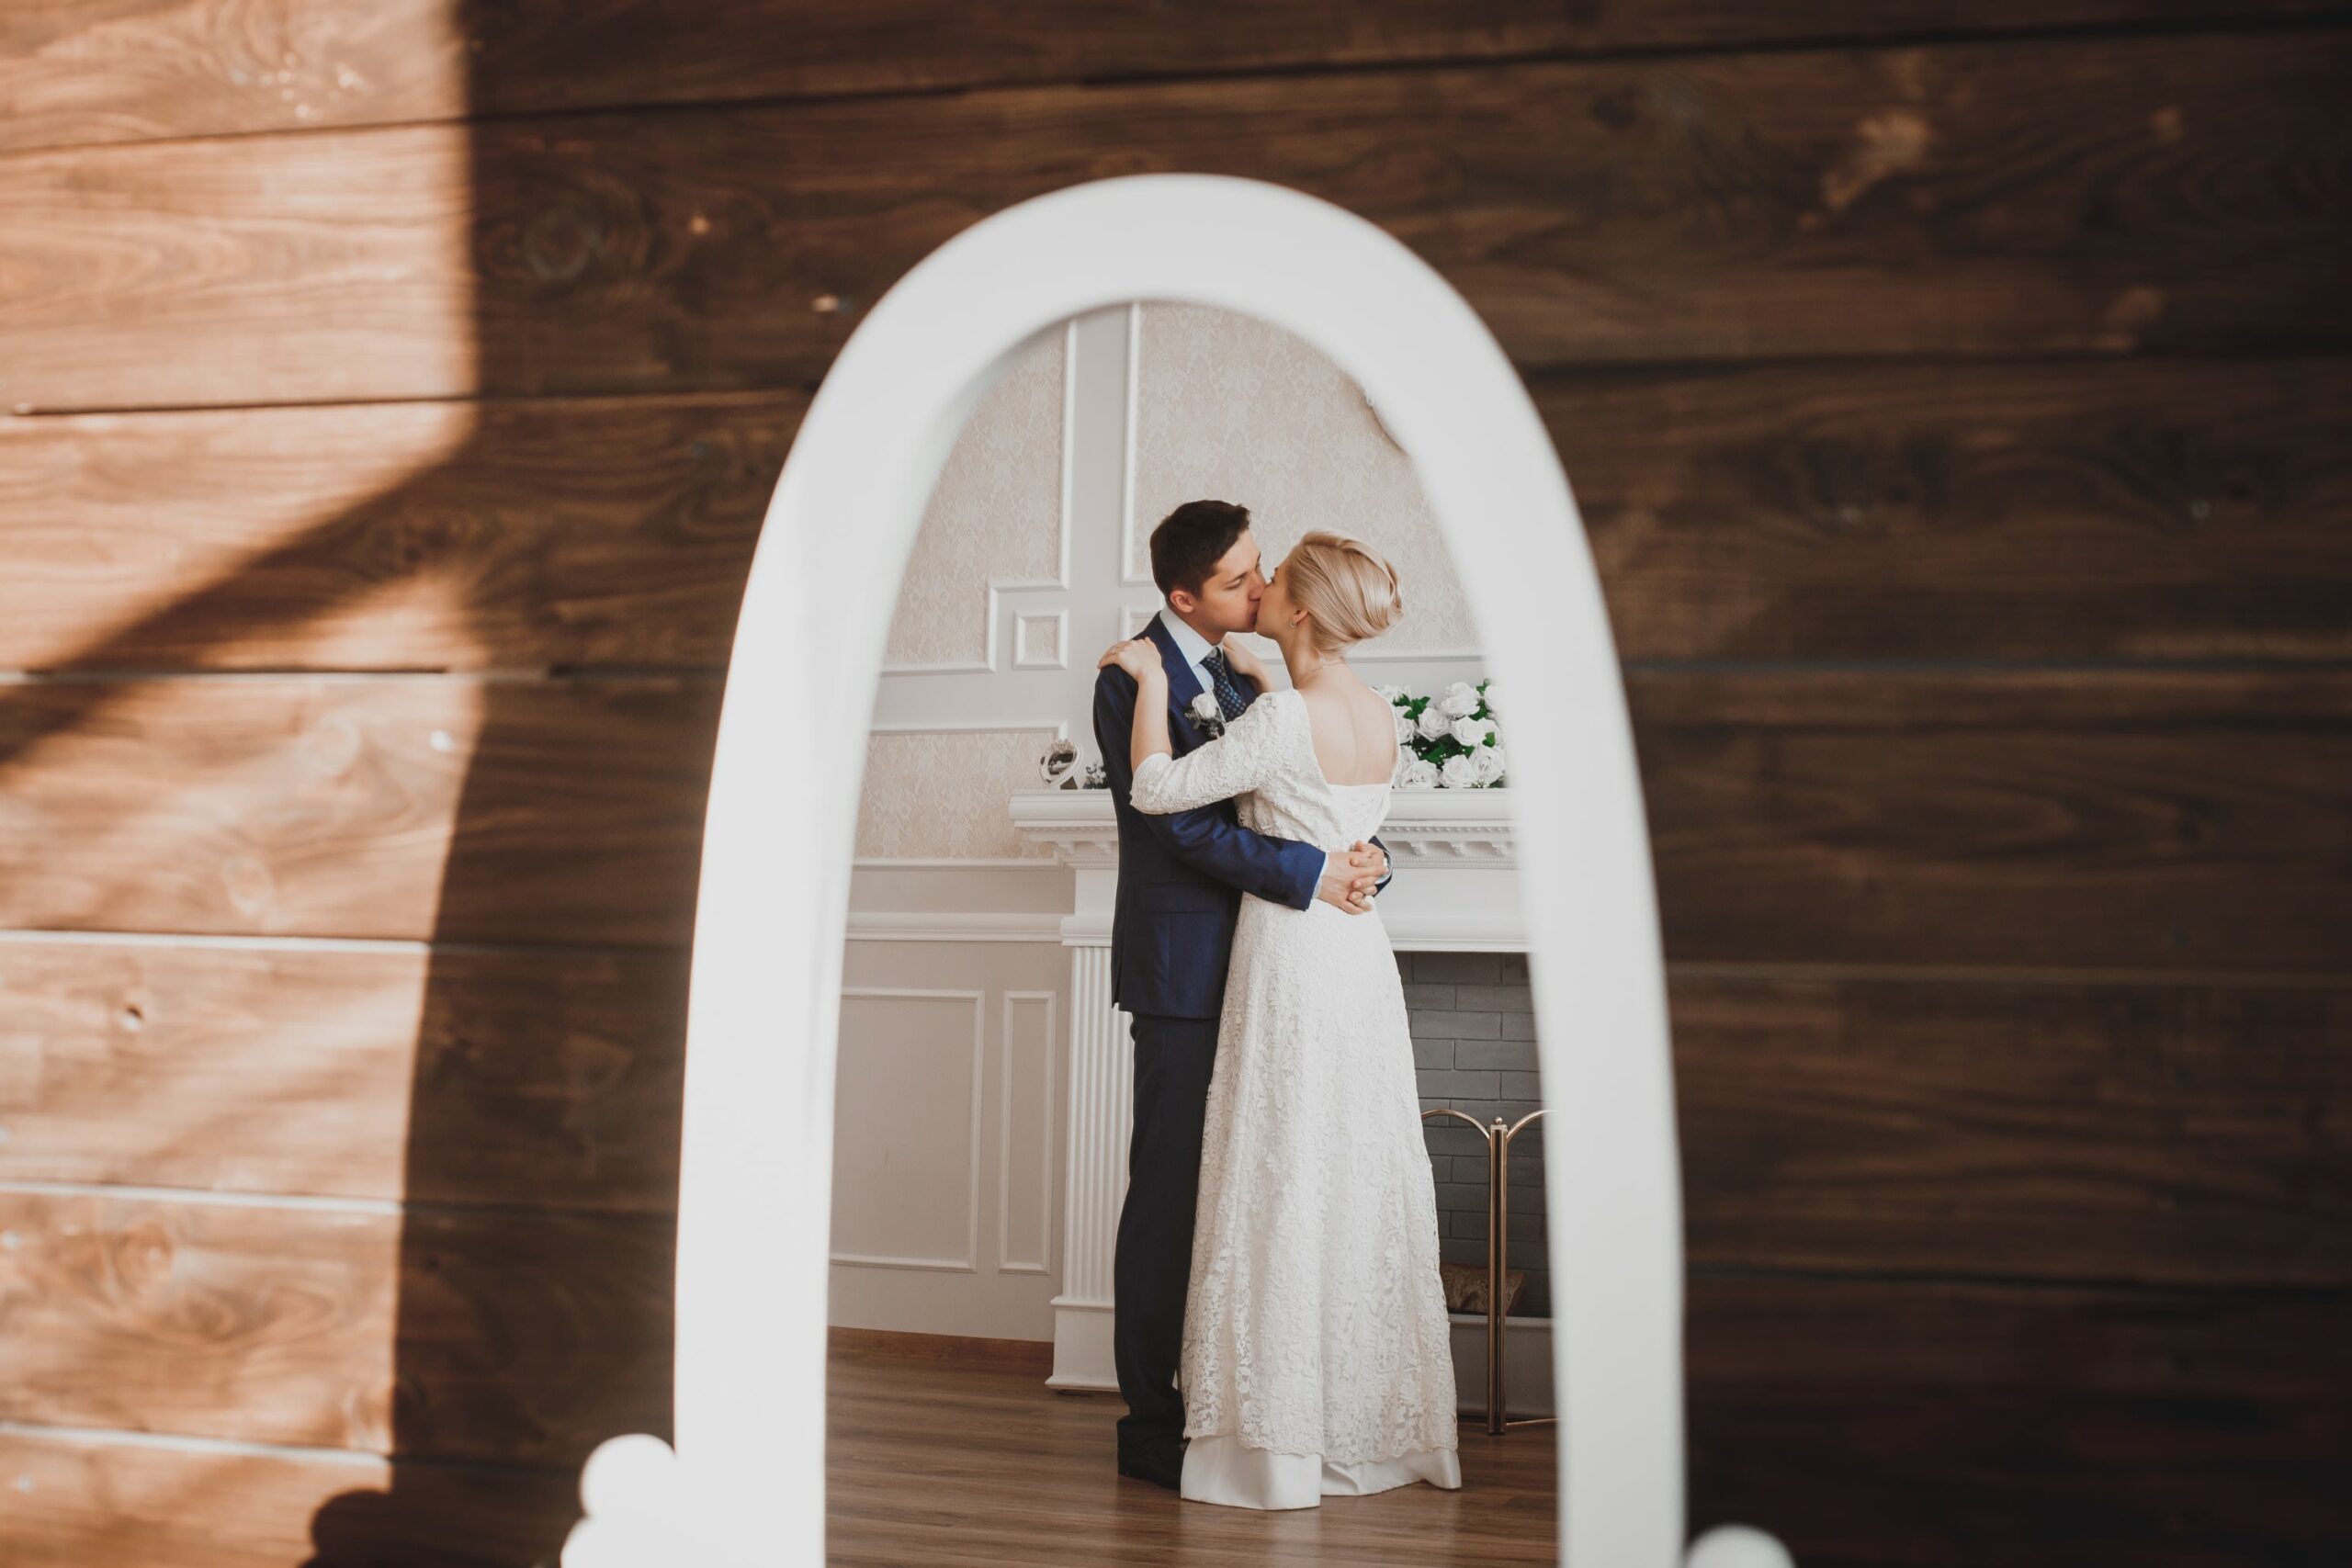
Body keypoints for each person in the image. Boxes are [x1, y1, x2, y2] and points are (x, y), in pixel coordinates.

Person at [1099, 525, 1462, 1510]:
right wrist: (1346, 861)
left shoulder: (1272, 705)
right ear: (1185, 596)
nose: (1255, 585)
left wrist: (1158, 691)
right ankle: (1325, 1412)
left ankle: (1276, 1428)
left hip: (1291, 956)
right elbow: (1316, 820)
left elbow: (1163, 788)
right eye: (1238, 574)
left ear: (1296, 607)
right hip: (1339, 957)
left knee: (1280, 1174)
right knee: (1326, 1168)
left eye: (1268, 575)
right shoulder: (1367, 709)